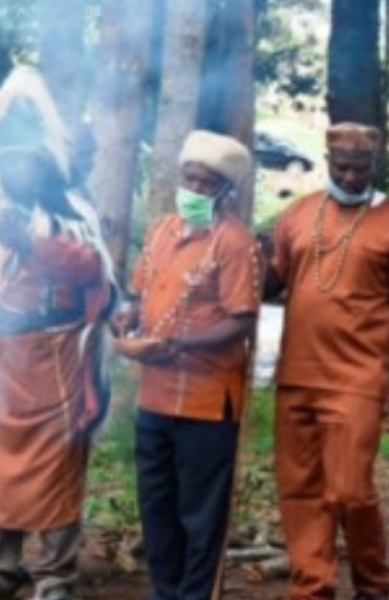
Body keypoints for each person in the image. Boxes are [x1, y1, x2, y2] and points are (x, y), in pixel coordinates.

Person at [0, 65, 115, 600]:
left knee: (56, 470)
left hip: (55, 359)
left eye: (27, 162)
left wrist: (32, 246)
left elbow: (94, 273)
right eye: (9, 161)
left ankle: (56, 577)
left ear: (45, 162)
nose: (18, 172)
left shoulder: (72, 211)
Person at [261, 122, 389, 600]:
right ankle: (312, 584)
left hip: (358, 378)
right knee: (300, 488)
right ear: (327, 162)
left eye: (361, 168)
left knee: (350, 491)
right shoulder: (298, 214)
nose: (351, 176)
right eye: (342, 167)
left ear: (374, 166)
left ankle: (373, 584)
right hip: (296, 374)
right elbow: (270, 282)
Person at [112, 130, 260, 600]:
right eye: (188, 179)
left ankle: (196, 595)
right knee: (157, 503)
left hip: (208, 402)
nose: (193, 190)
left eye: (205, 183)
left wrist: (177, 343)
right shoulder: (161, 231)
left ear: (225, 190)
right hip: (154, 394)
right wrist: (128, 314)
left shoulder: (237, 244)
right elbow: (140, 290)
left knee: (200, 512)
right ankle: (165, 591)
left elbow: (241, 321)